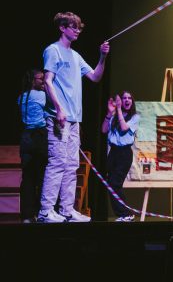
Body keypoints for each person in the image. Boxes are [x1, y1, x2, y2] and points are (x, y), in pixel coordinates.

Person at [37, 12, 110, 223]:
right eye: (73, 26)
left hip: (74, 119)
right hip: (58, 117)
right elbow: (48, 81)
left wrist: (102, 57)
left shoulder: (76, 56)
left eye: (79, 27)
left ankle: (67, 210)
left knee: (71, 165)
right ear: (62, 27)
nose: (77, 30)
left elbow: (95, 77)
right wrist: (59, 109)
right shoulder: (53, 51)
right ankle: (45, 211)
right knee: (57, 162)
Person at [101, 91, 139, 222]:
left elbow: (123, 128)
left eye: (129, 98)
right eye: (124, 98)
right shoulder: (114, 116)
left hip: (124, 153)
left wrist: (117, 110)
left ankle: (126, 214)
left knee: (115, 183)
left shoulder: (135, 117)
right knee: (111, 184)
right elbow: (104, 130)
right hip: (113, 153)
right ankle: (124, 214)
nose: (127, 100)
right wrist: (109, 113)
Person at [17, 69, 48, 223]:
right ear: (32, 81)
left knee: (28, 178)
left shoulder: (21, 97)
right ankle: (42, 212)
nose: (44, 81)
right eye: (40, 78)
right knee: (42, 176)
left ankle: (26, 215)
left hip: (26, 137)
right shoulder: (41, 95)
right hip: (38, 136)